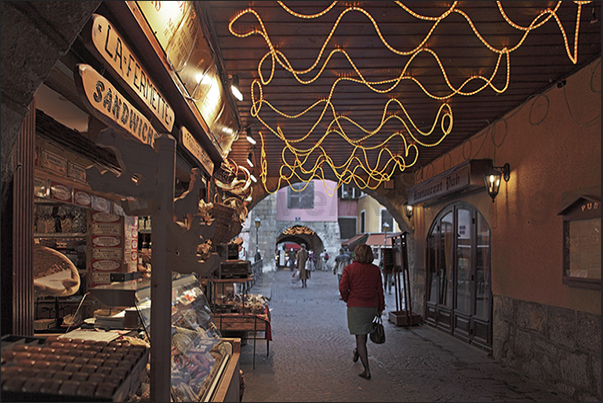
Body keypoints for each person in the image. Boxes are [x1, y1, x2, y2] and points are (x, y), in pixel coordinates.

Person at [339, 244, 385, 381]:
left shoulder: (350, 269)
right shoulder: (375, 270)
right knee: (362, 335)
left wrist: (348, 298)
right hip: (371, 306)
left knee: (360, 337)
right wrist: (380, 308)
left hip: (356, 306)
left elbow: (343, 288)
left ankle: (367, 370)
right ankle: (358, 352)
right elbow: (380, 291)